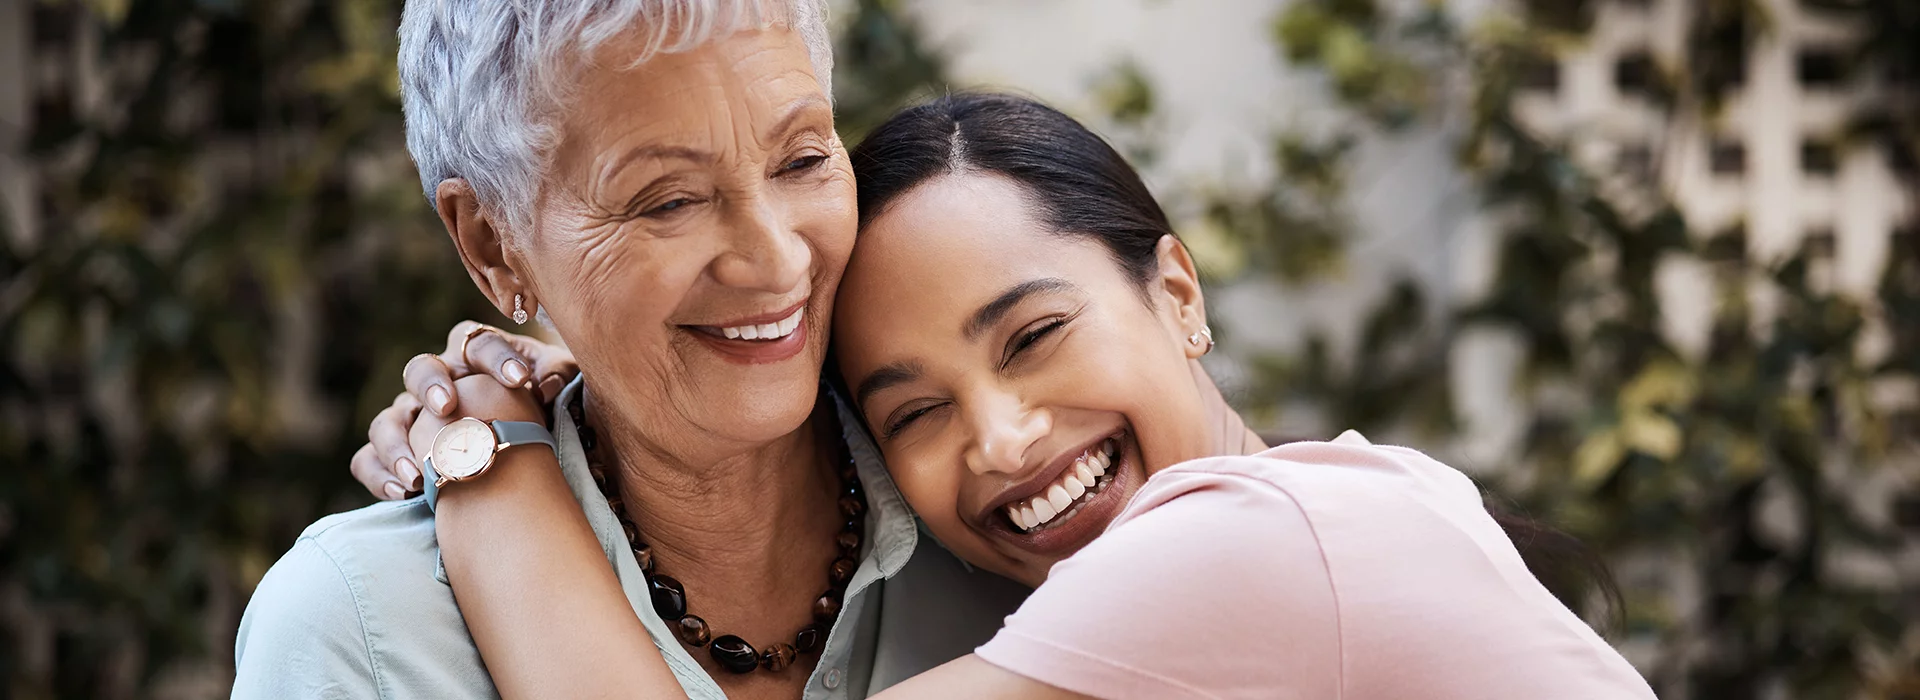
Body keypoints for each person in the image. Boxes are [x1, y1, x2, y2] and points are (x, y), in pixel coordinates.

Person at [367, 93, 1659, 698]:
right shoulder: (1358, 504)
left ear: (1180, 292)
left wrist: (498, 464)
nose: (1001, 437)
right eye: (913, 411)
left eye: (1034, 334)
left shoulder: (1247, 546)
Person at [230, 3, 1029, 699]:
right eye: (670, 201)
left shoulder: (1016, 512)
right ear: (492, 245)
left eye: (803, 160)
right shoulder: (361, 631)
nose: (779, 261)